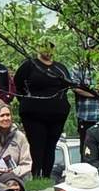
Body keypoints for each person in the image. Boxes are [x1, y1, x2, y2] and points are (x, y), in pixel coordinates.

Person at [15, 43, 74, 178]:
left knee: (51, 145)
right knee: (37, 144)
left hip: (57, 114)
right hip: (34, 113)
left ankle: (47, 176)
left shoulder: (60, 68)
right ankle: (36, 175)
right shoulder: (29, 65)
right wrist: (26, 101)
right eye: (44, 47)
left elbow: (68, 86)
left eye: (50, 47)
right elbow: (18, 84)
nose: (47, 50)